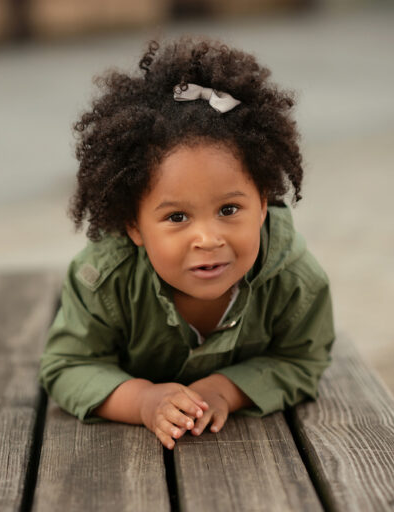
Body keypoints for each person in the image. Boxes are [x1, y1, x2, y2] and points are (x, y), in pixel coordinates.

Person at [39, 37, 335, 450]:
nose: (208, 239)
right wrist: (141, 400)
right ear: (134, 226)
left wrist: (226, 390)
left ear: (264, 203)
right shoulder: (103, 279)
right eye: (177, 217)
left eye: (229, 210)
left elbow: (302, 360)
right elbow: (68, 365)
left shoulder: (296, 280)